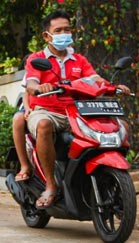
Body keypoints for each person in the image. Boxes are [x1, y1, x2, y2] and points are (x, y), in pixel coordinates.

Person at [25, 11, 130, 207]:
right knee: (44, 125)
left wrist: (113, 87)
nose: (64, 33)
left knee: (120, 124)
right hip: (47, 110)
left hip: (77, 111)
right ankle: (50, 185)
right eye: (58, 30)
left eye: (67, 29)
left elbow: (95, 79)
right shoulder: (37, 58)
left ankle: (102, 177)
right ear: (47, 36)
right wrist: (39, 88)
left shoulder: (79, 60)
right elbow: (31, 83)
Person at [13, 75, 32, 182]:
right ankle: (24, 165)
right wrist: (28, 108)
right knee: (18, 119)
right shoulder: (35, 64)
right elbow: (27, 92)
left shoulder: (78, 62)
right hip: (37, 107)